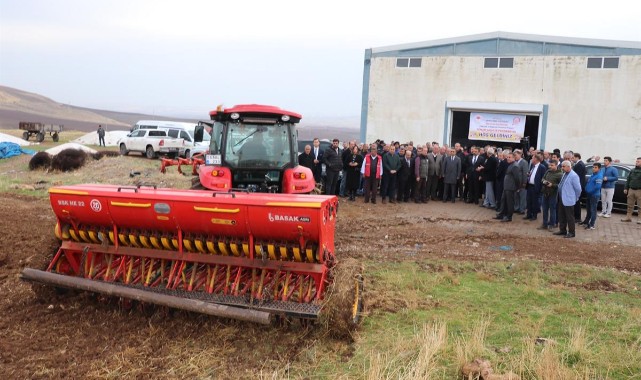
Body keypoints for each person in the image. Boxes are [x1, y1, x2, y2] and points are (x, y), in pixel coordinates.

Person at [554, 160, 582, 238]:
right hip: (561, 198)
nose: (562, 168)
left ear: (569, 167)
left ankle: (572, 232)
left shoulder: (574, 175)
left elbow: (578, 189)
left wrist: (575, 197)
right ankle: (562, 230)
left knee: (570, 217)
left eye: (563, 166)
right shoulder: (565, 174)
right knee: (561, 215)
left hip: (568, 199)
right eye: (562, 166)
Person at [494, 152, 521, 222]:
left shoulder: (515, 166)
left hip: (511, 187)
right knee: (503, 201)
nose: (508, 158)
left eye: (510, 157)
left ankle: (509, 217)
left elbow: (517, 178)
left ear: (514, 158)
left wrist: (517, 187)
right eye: (507, 157)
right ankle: (501, 214)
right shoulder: (510, 165)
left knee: (509, 203)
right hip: (506, 187)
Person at [538, 160, 563, 231]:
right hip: (545, 193)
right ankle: (544, 224)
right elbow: (542, 178)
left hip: (553, 194)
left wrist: (552, 185)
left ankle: (552, 224)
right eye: (550, 165)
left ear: (556, 165)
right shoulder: (548, 171)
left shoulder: (560, 174)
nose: (550, 166)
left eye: (552, 165)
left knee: (552, 210)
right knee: (545, 209)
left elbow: (560, 185)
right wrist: (544, 181)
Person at [581, 163, 603, 230]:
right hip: (589, 195)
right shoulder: (593, 174)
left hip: (594, 195)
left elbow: (597, 187)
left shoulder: (599, 176)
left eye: (595, 167)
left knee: (593, 210)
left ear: (599, 168)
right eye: (593, 167)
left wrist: (590, 191)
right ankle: (586, 221)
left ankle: (592, 224)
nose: (593, 168)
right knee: (588, 209)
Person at [524, 154, 546, 221]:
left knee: (535, 202)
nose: (531, 160)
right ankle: (528, 214)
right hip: (530, 186)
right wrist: (528, 175)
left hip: (536, 187)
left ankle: (534, 215)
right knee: (529, 201)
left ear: (536, 159)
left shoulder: (542, 167)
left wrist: (540, 188)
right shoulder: (532, 166)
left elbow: (543, 178)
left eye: (533, 158)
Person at [621, 157, 641, 224]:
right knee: (630, 205)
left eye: (638, 161)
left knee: (640, 206)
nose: (636, 162)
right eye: (636, 161)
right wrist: (626, 188)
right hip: (631, 190)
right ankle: (628, 217)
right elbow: (628, 179)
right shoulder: (632, 170)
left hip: (639, 190)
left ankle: (640, 219)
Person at [571, 152, 587, 221]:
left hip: (578, 186)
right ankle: (576, 217)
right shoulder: (579, 164)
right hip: (579, 185)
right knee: (576, 202)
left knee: (577, 202)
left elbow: (577, 177)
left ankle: (577, 218)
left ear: (577, 157)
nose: (572, 159)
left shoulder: (580, 165)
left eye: (573, 158)